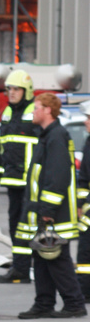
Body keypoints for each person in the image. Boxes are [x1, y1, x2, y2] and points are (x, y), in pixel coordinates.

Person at [15, 92, 86, 318]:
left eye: (36, 108)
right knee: (42, 257)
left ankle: (74, 304)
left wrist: (47, 211)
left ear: (47, 110)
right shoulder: (47, 136)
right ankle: (43, 304)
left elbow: (57, 178)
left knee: (57, 259)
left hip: (53, 214)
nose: (33, 112)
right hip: (43, 213)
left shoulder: (56, 137)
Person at [0, 70, 40, 284]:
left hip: (31, 183)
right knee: (15, 226)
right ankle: (20, 269)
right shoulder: (8, 113)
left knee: (29, 227)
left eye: (16, 89)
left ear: (26, 91)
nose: (12, 93)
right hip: (13, 181)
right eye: (9, 89)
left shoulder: (34, 111)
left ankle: (35, 268)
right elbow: (1, 148)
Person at [75, 101, 90, 303]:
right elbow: (84, 179)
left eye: (88, 118)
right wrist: (80, 204)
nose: (86, 122)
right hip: (88, 212)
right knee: (85, 251)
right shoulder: (88, 143)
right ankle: (85, 290)